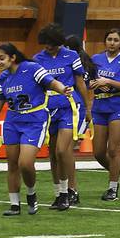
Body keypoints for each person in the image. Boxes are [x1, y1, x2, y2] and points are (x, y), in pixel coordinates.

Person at [0, 43, 74, 215]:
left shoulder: (32, 68)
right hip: (13, 122)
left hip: (35, 121)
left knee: (25, 163)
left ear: (13, 57)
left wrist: (62, 89)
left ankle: (31, 193)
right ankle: (14, 205)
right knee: (12, 164)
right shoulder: (3, 78)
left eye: (1, 58)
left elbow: (51, 82)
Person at [31, 24, 89, 210]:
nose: (47, 47)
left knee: (62, 150)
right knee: (53, 153)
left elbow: (80, 82)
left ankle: (69, 191)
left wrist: (88, 108)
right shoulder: (37, 59)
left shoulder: (71, 56)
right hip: (49, 108)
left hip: (70, 107)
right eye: (45, 44)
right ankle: (59, 193)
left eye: (51, 44)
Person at [88, 28, 120, 200]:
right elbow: (87, 82)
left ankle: (113, 188)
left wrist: (108, 81)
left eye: (116, 40)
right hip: (100, 106)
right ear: (105, 41)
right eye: (109, 39)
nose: (112, 42)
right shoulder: (95, 59)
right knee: (98, 152)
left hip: (119, 106)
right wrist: (94, 83)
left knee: (113, 149)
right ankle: (116, 172)